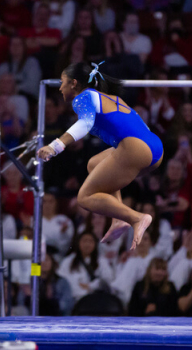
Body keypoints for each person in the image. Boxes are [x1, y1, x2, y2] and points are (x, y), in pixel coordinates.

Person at [37, 61, 163, 251]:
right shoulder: (111, 98)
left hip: (135, 148)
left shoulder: (83, 98)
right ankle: (118, 220)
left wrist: (56, 146)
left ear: (74, 83)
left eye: (63, 82)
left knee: (85, 198)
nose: (60, 87)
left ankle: (136, 218)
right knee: (94, 164)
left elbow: (85, 124)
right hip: (154, 149)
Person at [57, 230, 114, 302]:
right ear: (78, 243)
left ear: (95, 244)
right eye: (84, 241)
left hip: (96, 298)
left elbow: (108, 279)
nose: (87, 244)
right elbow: (62, 279)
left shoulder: (101, 261)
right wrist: (79, 288)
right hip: (75, 298)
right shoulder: (68, 261)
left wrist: (91, 286)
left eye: (90, 241)